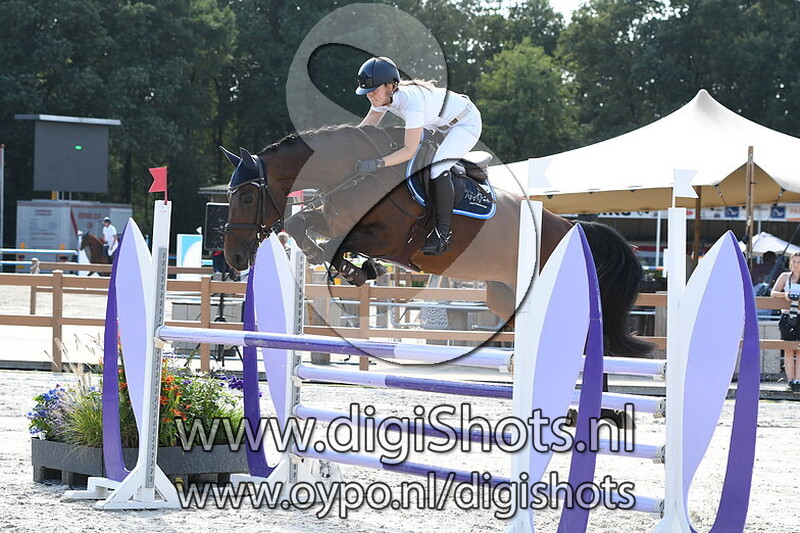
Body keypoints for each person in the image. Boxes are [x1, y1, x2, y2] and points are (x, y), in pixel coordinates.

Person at [355, 56, 482, 256]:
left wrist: (378, 163)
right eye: (367, 92)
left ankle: (442, 234)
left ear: (390, 86)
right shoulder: (384, 98)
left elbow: (409, 151)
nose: (370, 95)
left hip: (466, 124)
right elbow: (365, 129)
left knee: (438, 167)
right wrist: (345, 144)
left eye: (374, 90)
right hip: (439, 125)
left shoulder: (410, 102)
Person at [771, 251, 800, 392]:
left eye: (799, 262)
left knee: (799, 350)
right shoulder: (784, 276)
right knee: (788, 349)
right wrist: (785, 295)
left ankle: (798, 380)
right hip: (787, 316)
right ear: (790, 262)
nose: (796, 265)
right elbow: (773, 292)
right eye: (794, 261)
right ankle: (790, 380)